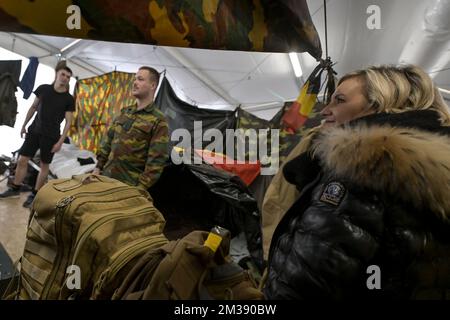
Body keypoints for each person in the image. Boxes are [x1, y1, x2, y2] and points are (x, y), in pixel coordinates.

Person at [264, 64, 450, 300]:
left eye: (339, 100)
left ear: (380, 105)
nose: (325, 111)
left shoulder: (361, 171)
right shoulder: (429, 171)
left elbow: (306, 286)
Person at [0, 63, 75, 208]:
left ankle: (35, 195)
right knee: (22, 160)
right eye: (63, 75)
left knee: (44, 165)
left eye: (68, 77)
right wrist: (23, 125)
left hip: (51, 136)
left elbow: (68, 122)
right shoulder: (43, 89)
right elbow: (33, 107)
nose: (65, 78)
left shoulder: (68, 99)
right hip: (34, 131)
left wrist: (60, 142)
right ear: (57, 74)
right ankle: (15, 188)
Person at [93, 66, 169, 191]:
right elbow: (108, 140)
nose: (134, 82)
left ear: (152, 85)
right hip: (106, 178)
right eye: (135, 79)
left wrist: (140, 188)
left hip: (128, 187)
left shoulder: (158, 121)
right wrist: (98, 168)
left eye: (140, 79)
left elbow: (156, 162)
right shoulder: (125, 112)